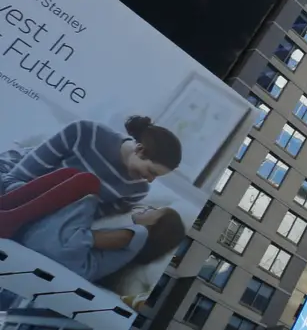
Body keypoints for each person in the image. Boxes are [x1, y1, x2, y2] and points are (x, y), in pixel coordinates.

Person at [0, 117, 181, 214]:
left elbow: (87, 216)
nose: (150, 180)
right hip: (14, 173)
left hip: (45, 208)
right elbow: (16, 176)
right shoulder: (85, 132)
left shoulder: (137, 190)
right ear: (140, 150)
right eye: (151, 171)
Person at [13, 194, 184, 282]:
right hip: (70, 259)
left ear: (157, 224)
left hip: (71, 259)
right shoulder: (136, 240)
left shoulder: (140, 233)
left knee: (90, 195)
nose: (148, 208)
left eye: (155, 210)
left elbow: (86, 239)